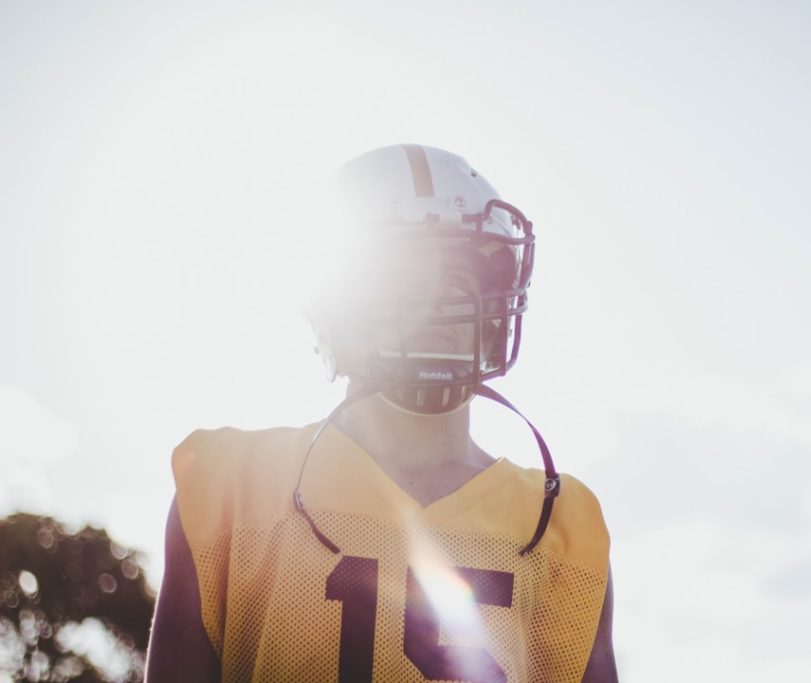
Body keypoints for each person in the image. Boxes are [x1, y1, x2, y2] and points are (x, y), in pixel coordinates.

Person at [146, 144, 617, 682]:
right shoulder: (229, 487)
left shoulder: (562, 524)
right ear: (342, 307)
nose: (437, 306)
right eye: (405, 281)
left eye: (460, 280)